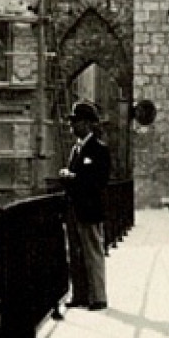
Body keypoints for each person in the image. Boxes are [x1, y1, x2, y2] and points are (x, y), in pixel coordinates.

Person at [59, 101, 111, 310]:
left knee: (92, 252)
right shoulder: (76, 149)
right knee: (74, 253)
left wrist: (70, 176)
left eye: (76, 122)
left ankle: (98, 297)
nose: (72, 126)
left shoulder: (99, 149)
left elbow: (98, 181)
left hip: (90, 209)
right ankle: (79, 294)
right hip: (74, 208)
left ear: (88, 124)